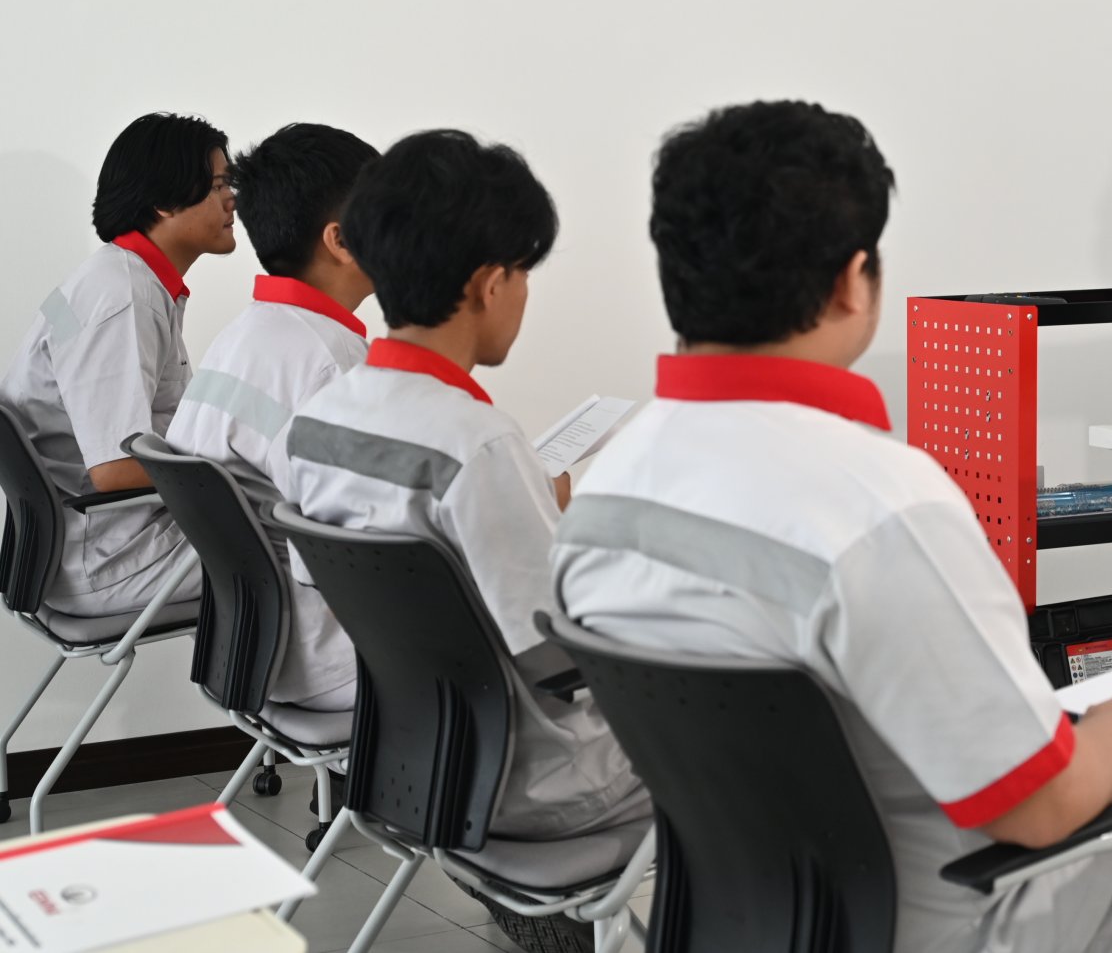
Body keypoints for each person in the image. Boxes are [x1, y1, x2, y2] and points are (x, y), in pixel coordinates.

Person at [553, 100, 1112, 953]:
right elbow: (1037, 809)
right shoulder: (883, 506)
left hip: (734, 916)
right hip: (954, 914)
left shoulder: (606, 495)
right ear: (852, 281)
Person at [278, 129, 651, 953]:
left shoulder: (313, 424)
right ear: (490, 283)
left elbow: (322, 580)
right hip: (533, 782)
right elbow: (555, 660)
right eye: (523, 274)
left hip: (405, 755)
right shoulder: (477, 446)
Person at [167, 122, 379, 715]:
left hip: (248, 645)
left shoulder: (245, 334)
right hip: (335, 658)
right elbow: (361, 558)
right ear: (342, 240)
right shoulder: (333, 365)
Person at [1, 113, 236, 617]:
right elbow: (115, 470)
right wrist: (232, 472)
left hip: (88, 544)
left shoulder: (117, 278)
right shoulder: (122, 296)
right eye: (219, 185)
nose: (231, 198)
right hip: (111, 558)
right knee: (307, 563)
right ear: (164, 202)